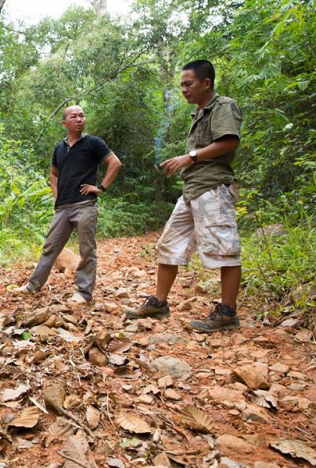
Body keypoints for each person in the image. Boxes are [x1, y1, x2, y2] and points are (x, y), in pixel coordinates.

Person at [125, 60, 243, 333]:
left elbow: (230, 141)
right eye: (181, 85)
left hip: (213, 189)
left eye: (188, 84)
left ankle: (227, 313)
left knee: (225, 250)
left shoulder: (223, 106)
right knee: (168, 245)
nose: (184, 89)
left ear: (206, 83)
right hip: (192, 190)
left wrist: (188, 157)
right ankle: (159, 303)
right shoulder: (198, 113)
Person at [13, 105, 122, 303]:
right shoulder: (59, 148)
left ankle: (84, 292)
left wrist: (101, 187)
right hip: (62, 207)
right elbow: (53, 174)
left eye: (82, 115)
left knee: (87, 249)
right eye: (74, 116)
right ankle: (33, 286)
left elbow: (115, 163)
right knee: (50, 247)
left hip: (85, 205)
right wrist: (56, 196)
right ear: (65, 123)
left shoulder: (93, 143)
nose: (79, 119)